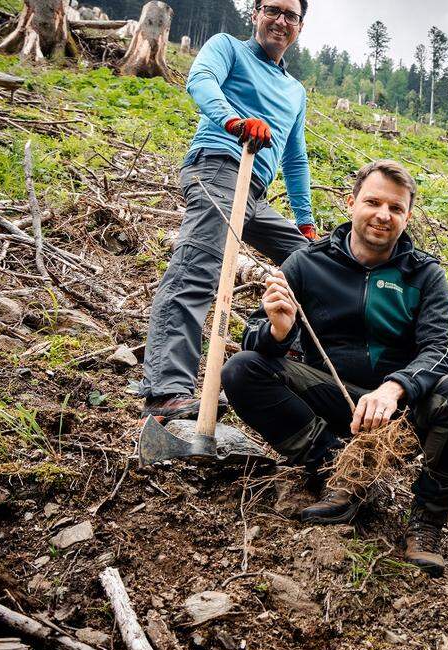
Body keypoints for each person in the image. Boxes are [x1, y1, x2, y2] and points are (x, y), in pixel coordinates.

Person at [220, 160, 448, 578]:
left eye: (396, 208)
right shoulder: (306, 263)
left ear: (407, 217)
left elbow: (442, 346)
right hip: (330, 398)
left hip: (398, 411)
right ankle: (337, 470)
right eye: (373, 202)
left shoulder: (424, 272)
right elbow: (254, 335)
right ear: (351, 204)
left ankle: (426, 525)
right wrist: (279, 330)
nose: (384, 214)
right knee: (241, 369)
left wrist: (395, 388)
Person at [140, 0, 318, 422]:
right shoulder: (227, 47)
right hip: (220, 166)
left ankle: (286, 355)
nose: (280, 20)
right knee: (198, 270)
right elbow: (200, 81)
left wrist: (305, 219)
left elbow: (295, 159)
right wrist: (234, 122)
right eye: (272, 9)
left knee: (313, 265)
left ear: (299, 26)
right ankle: (166, 392)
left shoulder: (295, 91)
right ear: (255, 13)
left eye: (290, 15)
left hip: (254, 192)